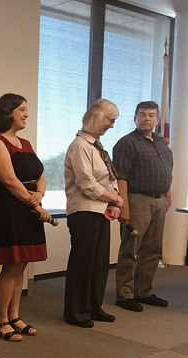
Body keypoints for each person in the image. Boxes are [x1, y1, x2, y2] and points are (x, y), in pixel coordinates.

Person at [0, 93, 51, 341]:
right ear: (8, 112)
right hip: (10, 210)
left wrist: (39, 195)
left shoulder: (26, 144)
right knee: (10, 266)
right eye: (22, 109)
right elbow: (10, 181)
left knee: (21, 264)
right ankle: (1, 320)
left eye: (26, 109)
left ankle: (15, 316)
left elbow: (40, 174)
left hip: (29, 207)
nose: (26, 114)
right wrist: (35, 203)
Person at [64, 98, 124, 328]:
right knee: (83, 263)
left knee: (98, 263)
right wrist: (115, 198)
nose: (111, 125)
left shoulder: (97, 147)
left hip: (101, 211)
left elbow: (111, 177)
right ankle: (76, 312)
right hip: (84, 212)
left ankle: (93, 307)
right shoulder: (79, 145)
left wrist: (114, 201)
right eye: (110, 120)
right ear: (97, 116)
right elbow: (86, 184)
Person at [113, 101, 173, 312]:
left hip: (159, 201)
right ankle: (124, 294)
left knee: (153, 250)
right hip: (136, 199)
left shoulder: (162, 144)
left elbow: (169, 172)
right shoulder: (126, 143)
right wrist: (124, 206)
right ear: (135, 118)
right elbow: (120, 177)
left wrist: (168, 197)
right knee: (131, 248)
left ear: (157, 120)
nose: (147, 118)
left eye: (151, 115)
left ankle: (144, 291)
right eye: (142, 115)